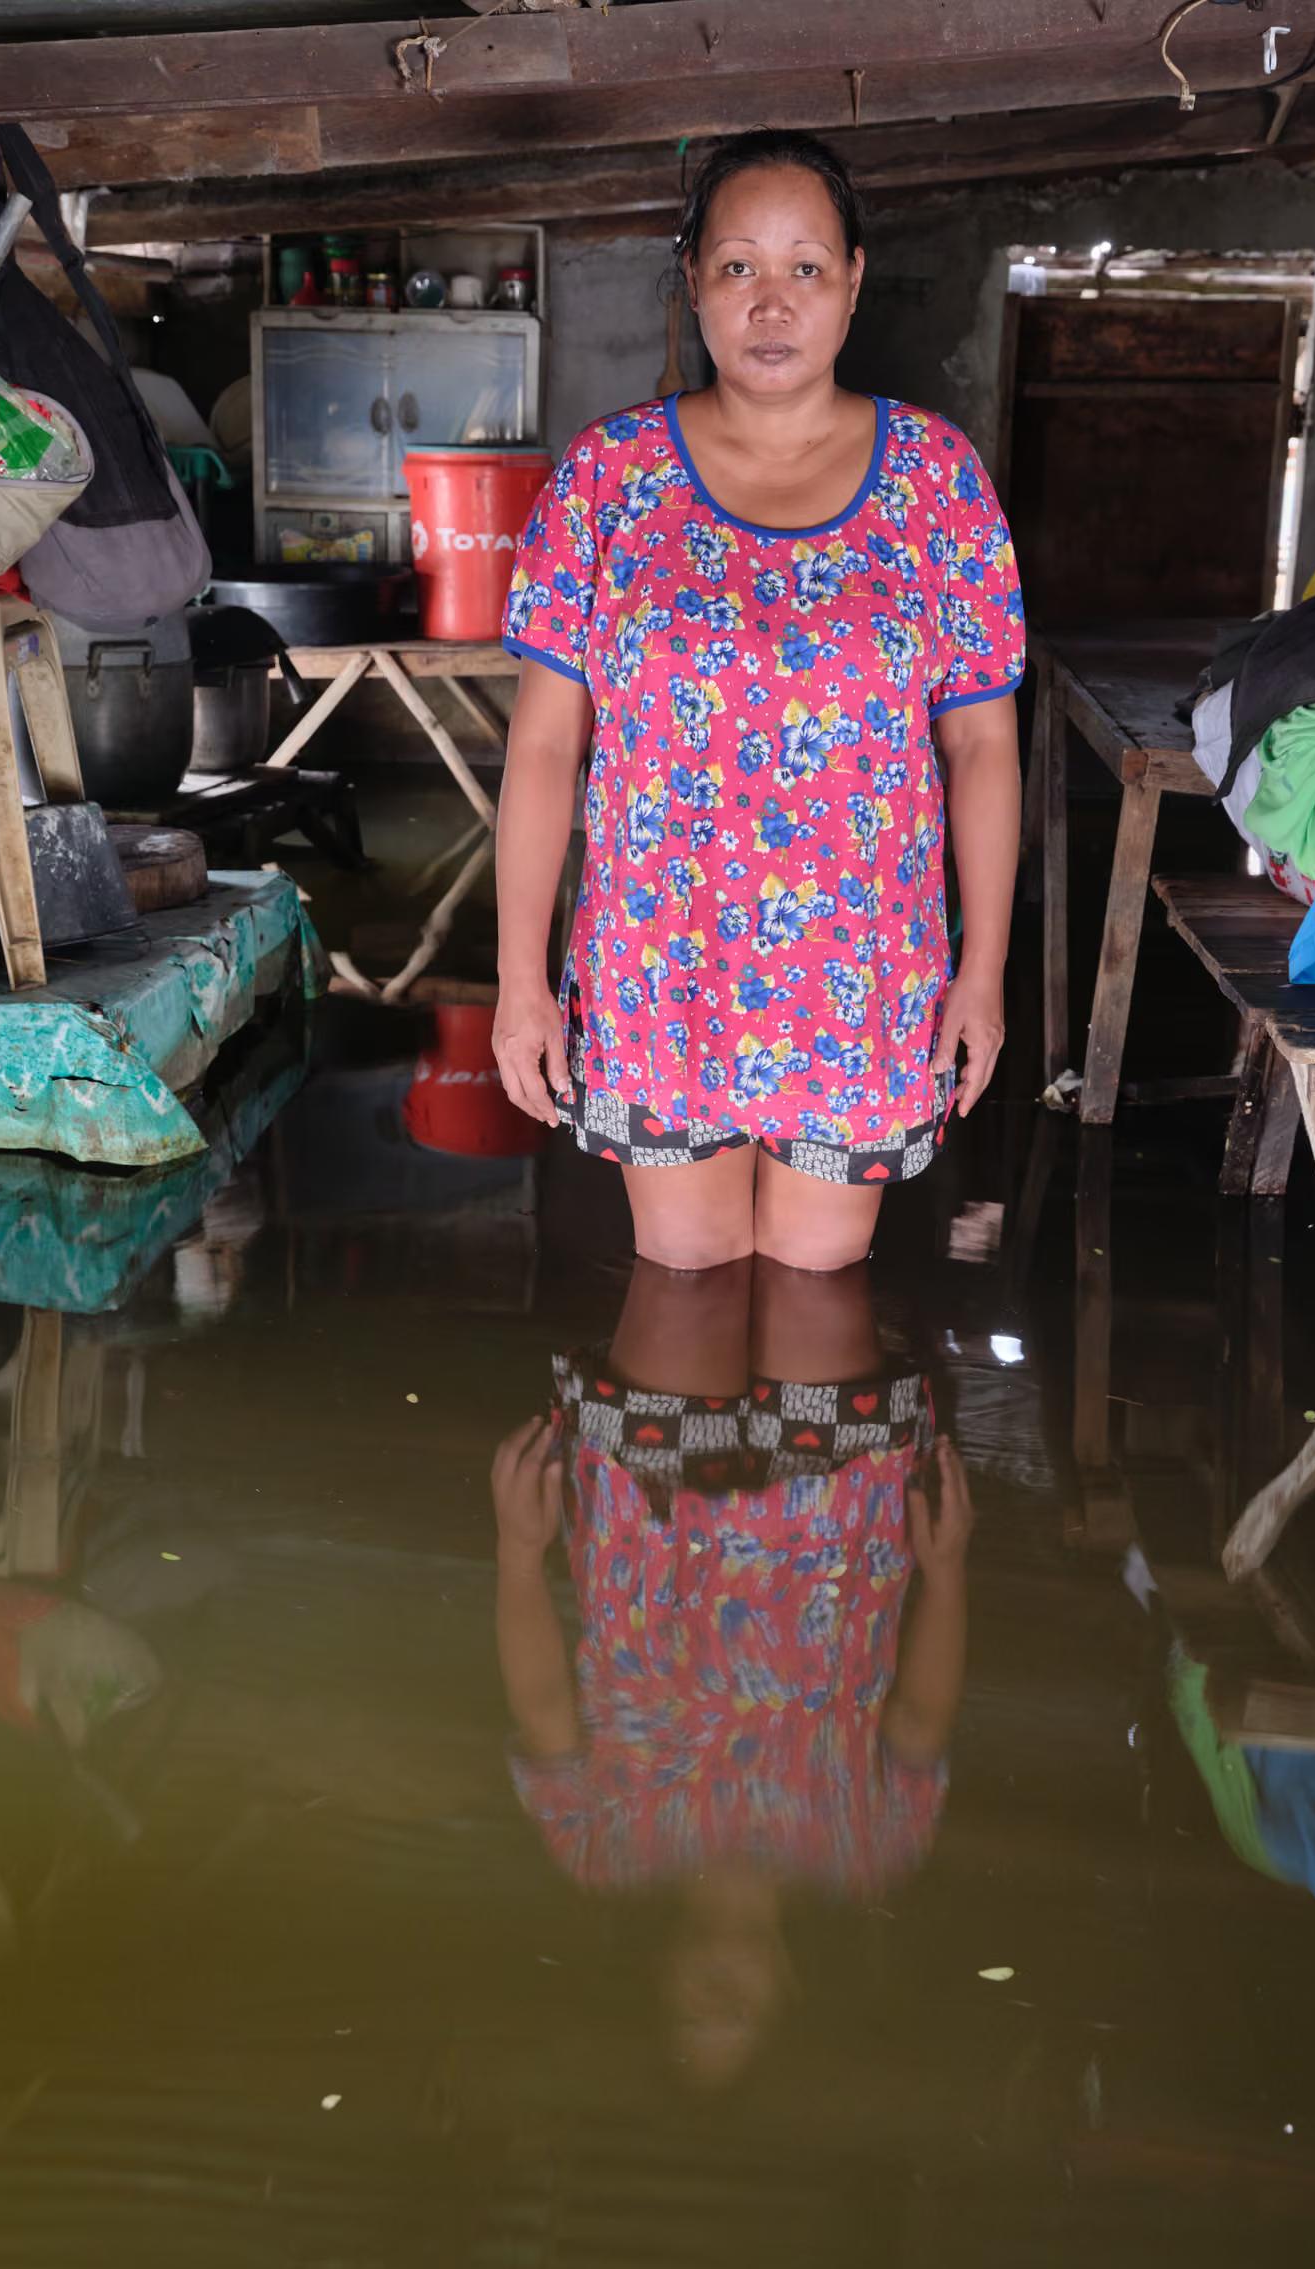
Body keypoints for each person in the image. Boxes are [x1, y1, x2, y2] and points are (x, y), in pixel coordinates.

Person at [493, 129, 1026, 1273]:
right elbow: (544, 752)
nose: (771, 304)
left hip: (862, 975)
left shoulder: (938, 482)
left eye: (805, 269)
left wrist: (980, 973)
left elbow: (982, 745)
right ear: (692, 282)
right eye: (738, 267)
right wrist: (520, 982)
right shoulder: (608, 480)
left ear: (853, 283)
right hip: (657, 968)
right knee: (679, 1309)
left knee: (818, 1315)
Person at [491, 1254, 972, 2087]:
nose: (715, 2002)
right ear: (786, 1988)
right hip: (836, 1509)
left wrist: (517, 1555)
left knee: (689, 1271)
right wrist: (950, 1571)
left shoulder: (600, 1847)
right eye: (737, 2017)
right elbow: (922, 1722)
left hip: (649, 1502)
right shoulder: (870, 1854)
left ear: (659, 1983)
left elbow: (542, 1706)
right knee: (815, 1272)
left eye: (691, 2016)